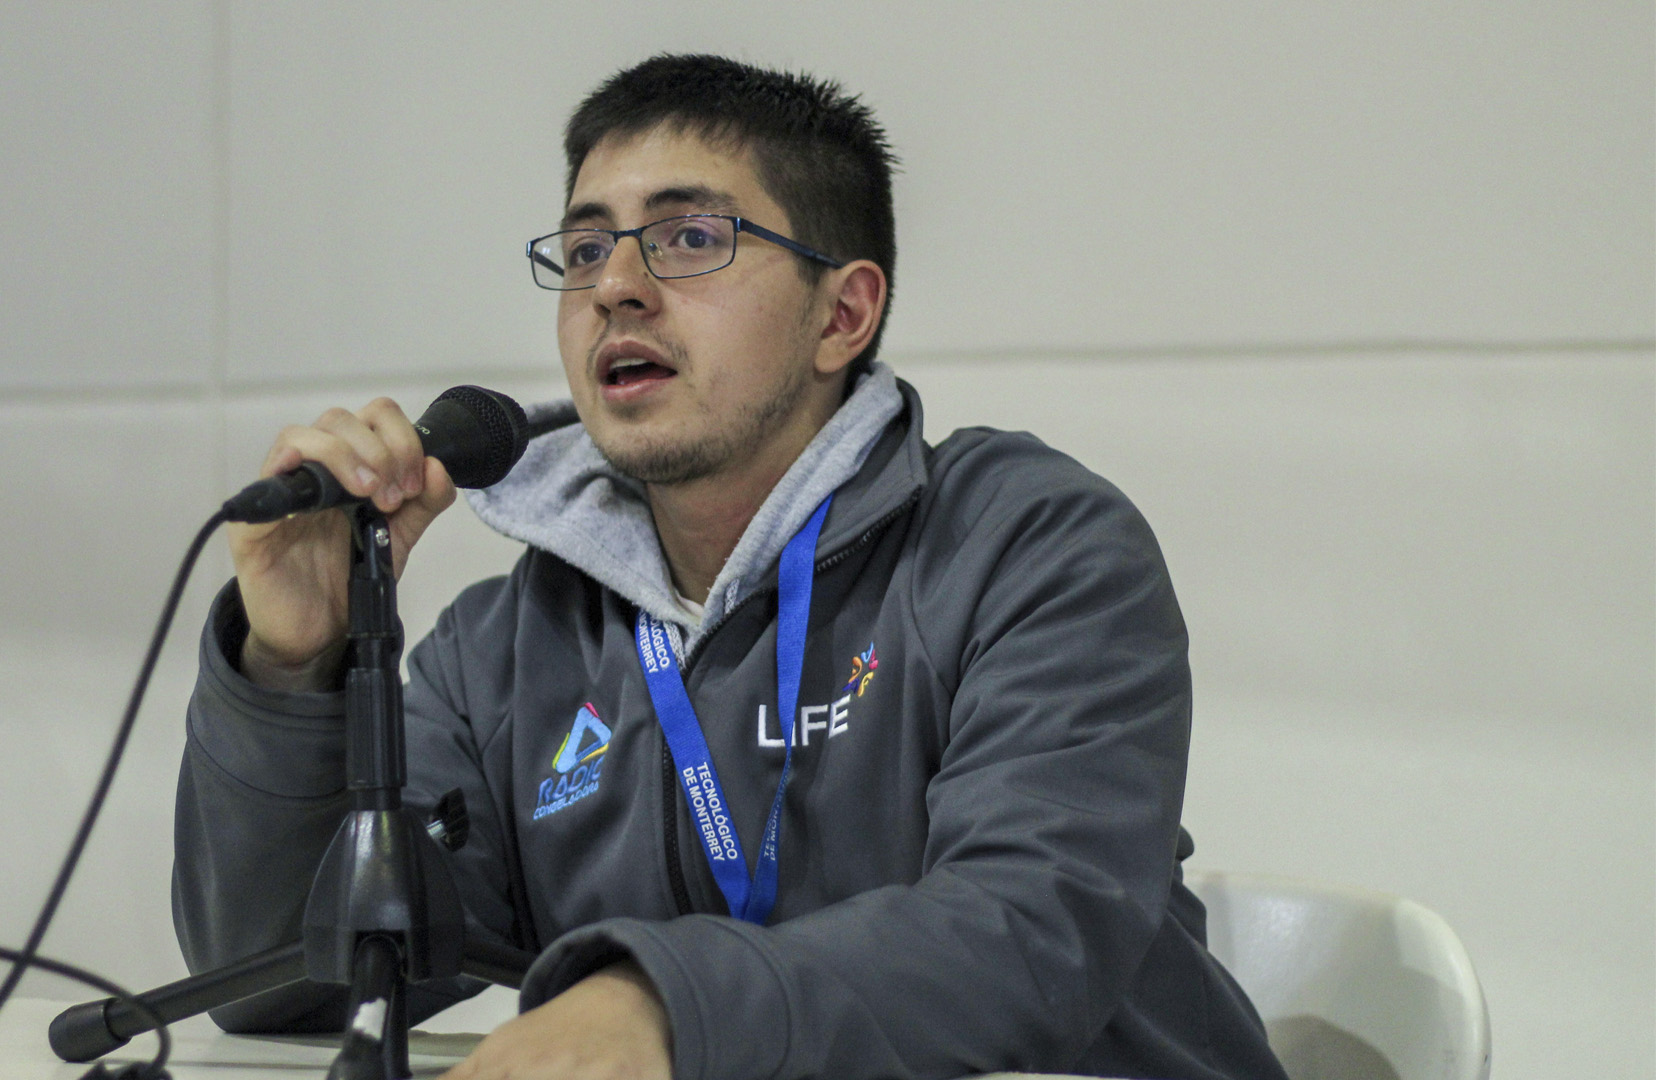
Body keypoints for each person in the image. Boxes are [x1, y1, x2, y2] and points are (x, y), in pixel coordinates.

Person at [173, 54, 1289, 1080]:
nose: (616, 285)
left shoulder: (1025, 543)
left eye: (691, 237)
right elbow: (293, 988)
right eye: (587, 248)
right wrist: (293, 663)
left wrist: (659, 1007)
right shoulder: (500, 649)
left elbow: (1035, 927)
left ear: (842, 314)